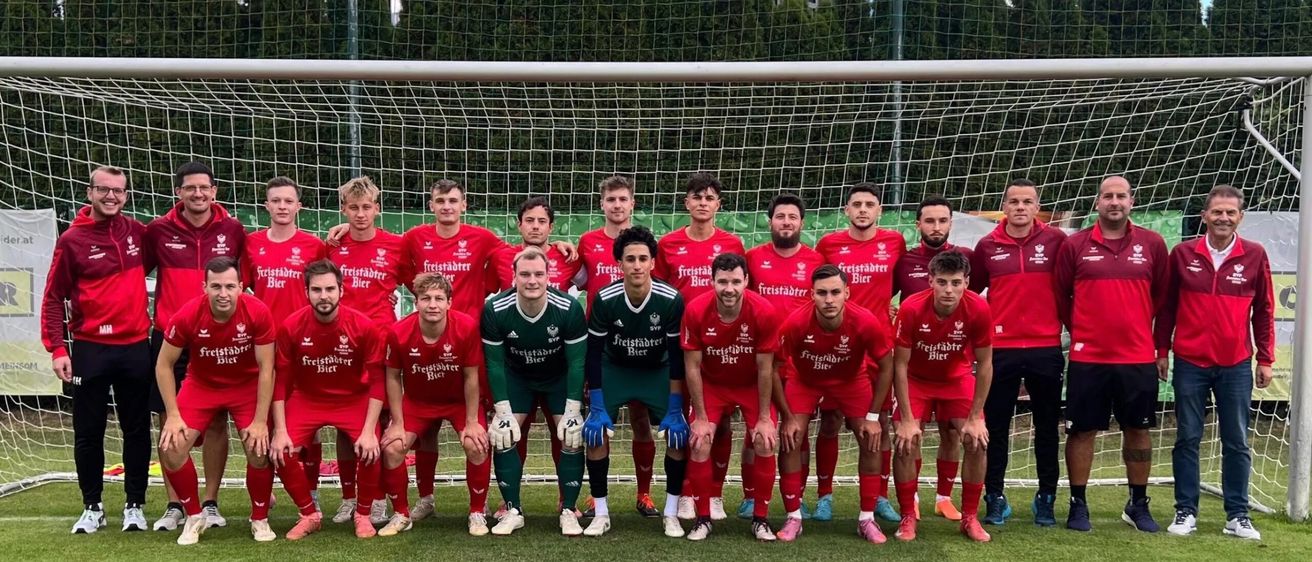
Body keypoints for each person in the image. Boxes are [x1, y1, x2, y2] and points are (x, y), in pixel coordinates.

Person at [1157, 184, 1274, 540]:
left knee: (1237, 440)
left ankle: (1237, 515)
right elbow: (1166, 309)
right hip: (1190, 362)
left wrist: (1265, 358)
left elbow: (1265, 310)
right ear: (1205, 215)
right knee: (1187, 438)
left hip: (1236, 364)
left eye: (1231, 212)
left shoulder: (1254, 254)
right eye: (1217, 211)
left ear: (1240, 217)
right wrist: (1161, 351)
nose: (1223, 217)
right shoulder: (1182, 254)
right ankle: (1185, 511)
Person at [40, 166, 152, 533]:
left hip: (136, 346)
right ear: (89, 193)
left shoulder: (137, 232)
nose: (111, 196)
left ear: (126, 196)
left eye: (118, 191)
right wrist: (57, 348)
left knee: (136, 429)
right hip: (90, 348)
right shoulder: (72, 240)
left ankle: (135, 505)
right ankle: (93, 506)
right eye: (103, 189)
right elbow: (54, 297)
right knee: (89, 431)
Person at [1053, 175, 1168, 533]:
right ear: (1097, 202)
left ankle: (1137, 503)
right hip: (1089, 359)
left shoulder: (1152, 244)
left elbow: (1162, 299)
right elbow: (1061, 297)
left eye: (1121, 196)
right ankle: (1078, 505)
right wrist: (1085, 333)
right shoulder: (1075, 245)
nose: (1114, 202)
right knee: (1082, 431)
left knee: (1138, 430)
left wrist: (1150, 341)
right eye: (1107, 196)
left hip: (1137, 358)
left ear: (1131, 202)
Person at [144, 161, 246, 532]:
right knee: (167, 421)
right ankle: (174, 504)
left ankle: (210, 501)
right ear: (179, 191)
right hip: (171, 338)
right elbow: (131, 270)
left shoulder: (233, 229)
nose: (198, 194)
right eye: (190, 188)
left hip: (217, 339)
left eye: (204, 187)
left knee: (217, 419)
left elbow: (240, 281)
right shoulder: (157, 230)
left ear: (215, 191)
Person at [154, 257, 276, 545]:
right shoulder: (187, 314)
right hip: (202, 385)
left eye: (230, 286)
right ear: (204, 287)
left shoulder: (257, 312)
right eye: (216, 286)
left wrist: (260, 421)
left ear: (241, 287)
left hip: (246, 385)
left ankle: (259, 518)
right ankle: (195, 517)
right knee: (171, 446)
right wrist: (172, 414)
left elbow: (267, 369)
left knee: (259, 448)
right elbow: (163, 365)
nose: (224, 293)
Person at [969, 179, 1067, 526]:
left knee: (1046, 428)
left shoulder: (1057, 241)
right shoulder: (987, 245)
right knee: (995, 427)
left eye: (1027, 201)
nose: (1021, 207)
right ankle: (994, 496)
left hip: (1046, 348)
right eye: (1014, 201)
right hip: (1001, 350)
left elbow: (1070, 289)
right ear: (1004, 206)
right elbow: (972, 293)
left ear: (1037, 206)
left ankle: (1047, 498)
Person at [267, 260, 386, 540]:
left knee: (371, 448)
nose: (324, 296)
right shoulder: (291, 326)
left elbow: (378, 383)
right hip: (307, 399)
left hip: (353, 400)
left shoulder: (363, 326)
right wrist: (280, 430)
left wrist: (369, 430)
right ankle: (309, 514)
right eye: (317, 290)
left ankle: (363, 514)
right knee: (280, 451)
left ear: (341, 291)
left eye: (330, 289)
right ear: (306, 292)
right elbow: (281, 381)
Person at [582, 226, 689, 538]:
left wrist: (675, 406)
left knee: (678, 435)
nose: (637, 265)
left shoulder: (670, 299)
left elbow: (676, 355)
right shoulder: (605, 298)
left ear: (653, 263)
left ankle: (670, 513)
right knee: (595, 431)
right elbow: (593, 352)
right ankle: (601, 513)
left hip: (657, 369)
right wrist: (597, 405)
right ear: (620, 264)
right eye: (631, 259)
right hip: (616, 368)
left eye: (644, 258)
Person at [774, 265, 893, 544]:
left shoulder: (864, 321)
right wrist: (786, 415)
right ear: (811, 295)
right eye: (822, 293)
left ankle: (866, 519)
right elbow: (773, 366)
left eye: (835, 292)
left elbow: (887, 366)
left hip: (851, 380)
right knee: (791, 437)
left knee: (871, 437)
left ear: (847, 293)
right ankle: (794, 516)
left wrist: (874, 416)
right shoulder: (795, 323)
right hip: (805, 380)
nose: (829, 299)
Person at [653, 172, 744, 521]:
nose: (703, 203)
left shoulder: (733, 244)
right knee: (682, 419)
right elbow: (659, 292)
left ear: (718, 204)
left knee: (720, 423)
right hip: (680, 345)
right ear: (686, 203)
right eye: (697, 197)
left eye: (709, 198)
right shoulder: (670, 244)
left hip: (722, 347)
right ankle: (686, 492)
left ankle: (715, 493)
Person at [480, 247, 588, 536]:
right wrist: (501, 410)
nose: (532, 280)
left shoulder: (568, 308)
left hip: (558, 378)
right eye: (524, 274)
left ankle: (569, 509)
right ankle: (512, 509)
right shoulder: (494, 309)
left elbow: (577, 361)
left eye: (538, 274)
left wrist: (574, 409)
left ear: (548, 276)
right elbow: (494, 363)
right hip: (518, 378)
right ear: (513, 277)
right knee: (503, 435)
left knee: (572, 434)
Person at [816, 182, 906, 522]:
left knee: (878, 423)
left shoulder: (894, 242)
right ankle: (825, 495)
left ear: (880, 210)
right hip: (837, 348)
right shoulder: (829, 245)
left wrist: (888, 311)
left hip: (878, 348)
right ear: (846, 210)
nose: (863, 209)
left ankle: (879, 496)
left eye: (870, 204)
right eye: (857, 204)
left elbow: (897, 285)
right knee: (830, 421)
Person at [889, 251, 994, 543]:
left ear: (967, 283)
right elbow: (899, 364)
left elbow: (985, 363)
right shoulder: (911, 307)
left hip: (956, 379)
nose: (949, 290)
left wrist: (975, 417)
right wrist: (908, 420)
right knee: (906, 440)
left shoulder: (979, 308)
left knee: (976, 440)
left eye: (956, 283)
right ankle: (908, 515)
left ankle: (970, 517)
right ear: (930, 281)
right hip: (916, 380)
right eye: (943, 282)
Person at [241, 176, 331, 513]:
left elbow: (325, 289)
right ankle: (266, 488)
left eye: (288, 201)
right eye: (275, 200)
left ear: (298, 207)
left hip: (304, 347)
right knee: (261, 420)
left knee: (308, 423)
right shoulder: (251, 244)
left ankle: (312, 489)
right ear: (266, 205)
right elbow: (241, 291)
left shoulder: (313, 246)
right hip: (264, 347)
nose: (281, 206)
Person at [378, 273, 491, 537]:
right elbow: (393, 377)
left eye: (439, 298)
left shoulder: (465, 327)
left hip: (458, 403)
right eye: (425, 298)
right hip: (418, 402)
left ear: (450, 302)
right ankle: (402, 513)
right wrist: (397, 422)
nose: (432, 304)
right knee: (393, 448)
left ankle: (477, 512)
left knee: (476, 443)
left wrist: (473, 422)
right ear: (415, 302)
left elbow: (471, 376)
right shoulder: (398, 332)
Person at [327, 176, 410, 524]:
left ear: (377, 209)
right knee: (347, 426)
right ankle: (349, 497)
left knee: (383, 426)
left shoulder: (396, 245)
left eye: (366, 207)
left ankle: (377, 498)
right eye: (353, 208)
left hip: (383, 345)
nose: (360, 214)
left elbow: (418, 284)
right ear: (344, 210)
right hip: (343, 346)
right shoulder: (332, 247)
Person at [577, 175, 661, 518]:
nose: (617, 205)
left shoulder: (644, 244)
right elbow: (565, 275)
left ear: (632, 204)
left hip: (640, 343)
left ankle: (644, 494)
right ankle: (598, 498)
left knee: (642, 419)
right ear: (602, 204)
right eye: (611, 199)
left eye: (623, 199)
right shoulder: (586, 242)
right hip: (601, 345)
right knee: (599, 420)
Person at [682, 253, 780, 541]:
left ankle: (760, 520)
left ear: (746, 281)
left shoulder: (764, 311)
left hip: (750, 385)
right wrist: (700, 417)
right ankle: (702, 519)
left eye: (736, 281)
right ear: (712, 281)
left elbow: (765, 369)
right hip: (712, 385)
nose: (729, 288)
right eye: (723, 281)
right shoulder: (696, 310)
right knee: (699, 442)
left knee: (765, 440)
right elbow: (692, 367)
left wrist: (763, 418)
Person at [743, 193, 828, 520]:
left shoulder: (815, 260)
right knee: (756, 429)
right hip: (759, 358)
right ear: (770, 222)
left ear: (801, 223)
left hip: (799, 360)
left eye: (793, 217)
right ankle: (750, 496)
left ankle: (798, 496)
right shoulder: (752, 257)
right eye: (780, 217)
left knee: (797, 431)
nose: (787, 222)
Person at [892, 196, 973, 522]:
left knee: (953, 433)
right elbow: (885, 298)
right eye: (929, 221)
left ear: (951, 223)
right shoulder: (906, 261)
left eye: (942, 220)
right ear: (918, 225)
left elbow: (970, 307)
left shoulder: (967, 259)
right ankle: (909, 504)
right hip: (914, 368)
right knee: (910, 434)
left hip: (955, 366)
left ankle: (943, 497)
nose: (936, 227)